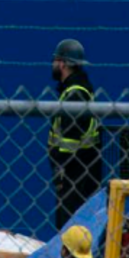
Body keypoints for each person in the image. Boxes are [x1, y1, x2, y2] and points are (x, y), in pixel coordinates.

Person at [48, 39, 103, 228]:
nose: (53, 64)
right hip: (81, 174)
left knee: (69, 228)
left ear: (63, 63)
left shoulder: (75, 95)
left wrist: (60, 171)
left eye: (55, 60)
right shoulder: (78, 90)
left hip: (75, 177)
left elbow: (69, 141)